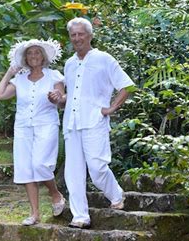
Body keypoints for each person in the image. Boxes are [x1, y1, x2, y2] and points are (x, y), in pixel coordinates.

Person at [48, 18, 134, 229]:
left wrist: (112, 108)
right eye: (73, 35)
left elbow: (127, 86)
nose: (77, 38)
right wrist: (59, 99)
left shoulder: (104, 59)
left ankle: (116, 194)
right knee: (73, 172)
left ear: (90, 35)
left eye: (81, 34)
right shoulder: (69, 64)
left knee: (97, 167)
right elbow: (72, 96)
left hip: (94, 121)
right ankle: (80, 216)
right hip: (72, 123)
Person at [0, 39, 66, 226]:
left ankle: (55, 194)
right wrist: (10, 72)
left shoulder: (54, 76)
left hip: (46, 124)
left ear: (43, 56)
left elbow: (62, 99)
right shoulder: (19, 80)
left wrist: (57, 97)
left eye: (37, 52)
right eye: (30, 53)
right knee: (26, 168)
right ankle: (35, 214)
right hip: (23, 127)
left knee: (40, 164)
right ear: (25, 58)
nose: (33, 56)